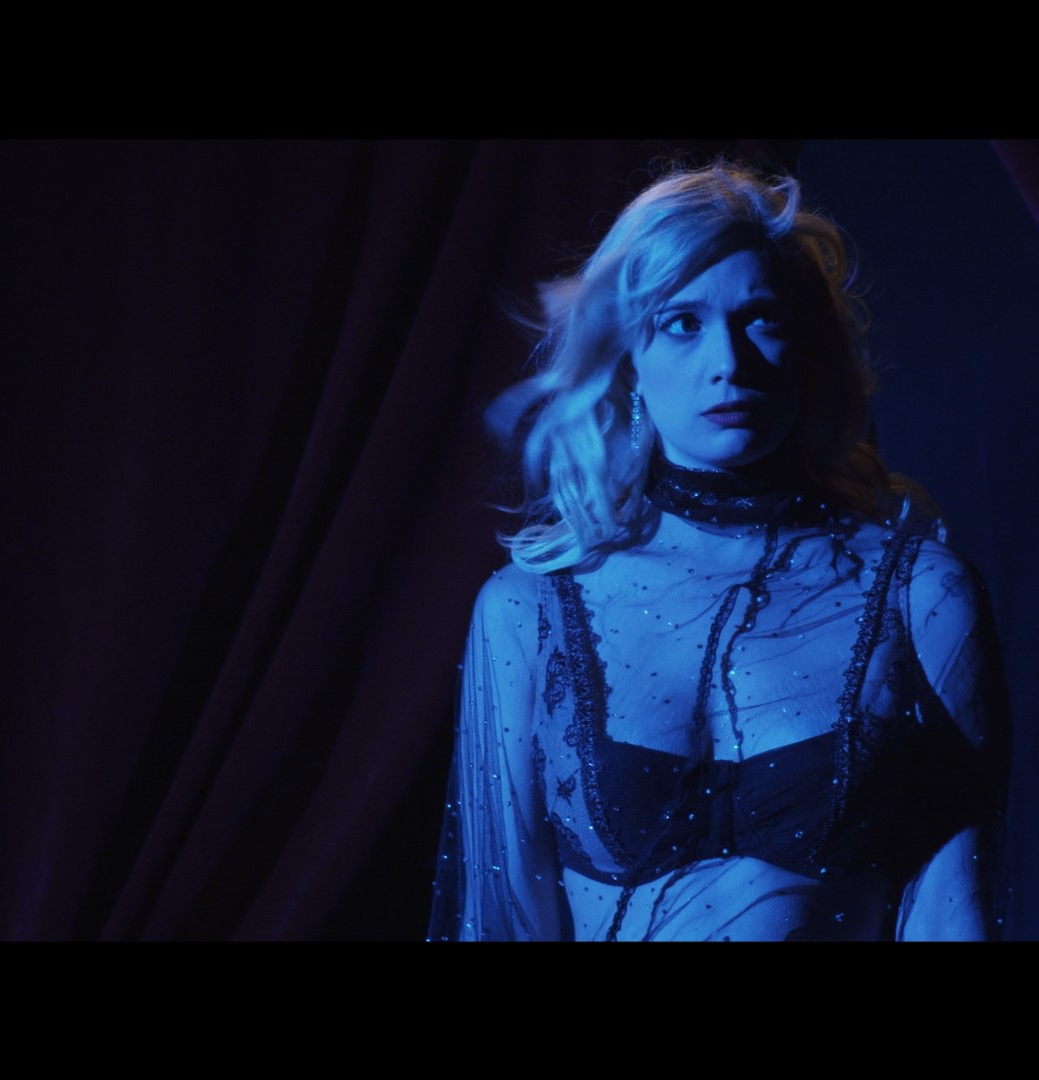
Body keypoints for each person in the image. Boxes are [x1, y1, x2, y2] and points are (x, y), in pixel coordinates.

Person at [428, 162, 1006, 941]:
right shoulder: (527, 612)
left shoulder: (921, 596)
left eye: (760, 319)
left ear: (808, 347)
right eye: (682, 323)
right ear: (627, 357)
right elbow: (502, 923)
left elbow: (952, 909)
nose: (729, 363)